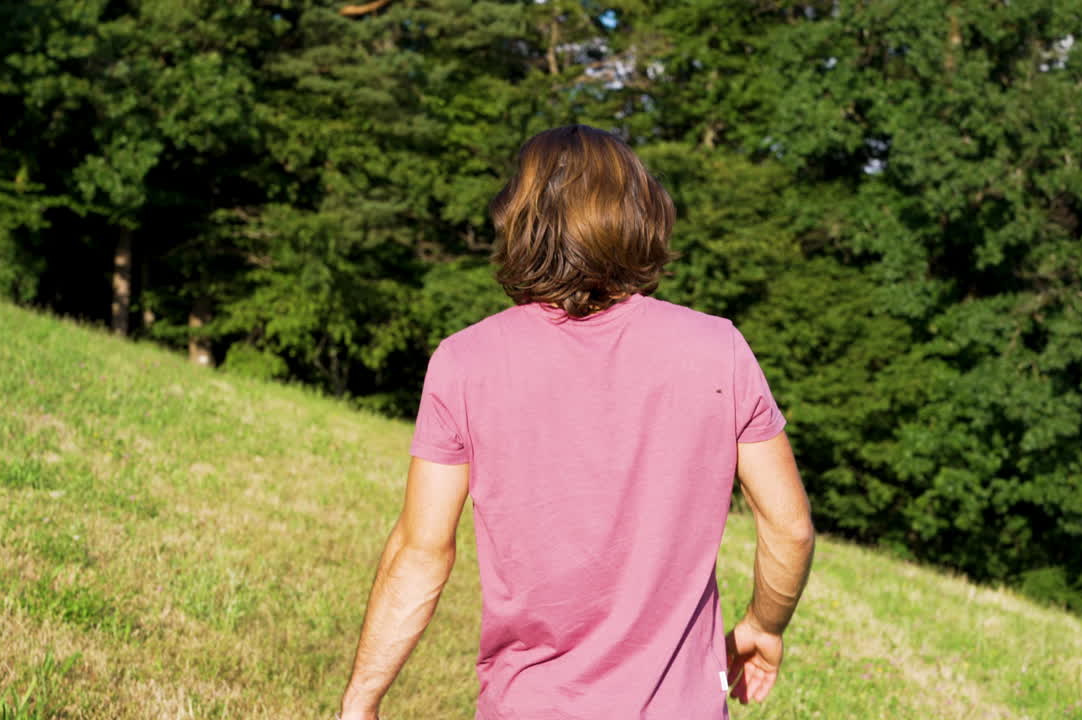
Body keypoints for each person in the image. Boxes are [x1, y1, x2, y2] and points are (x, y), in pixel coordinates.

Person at [339, 125, 815, 720]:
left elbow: (420, 552)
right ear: (641, 215)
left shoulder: (464, 362)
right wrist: (764, 627)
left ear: (520, 220)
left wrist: (361, 700)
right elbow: (790, 528)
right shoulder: (718, 348)